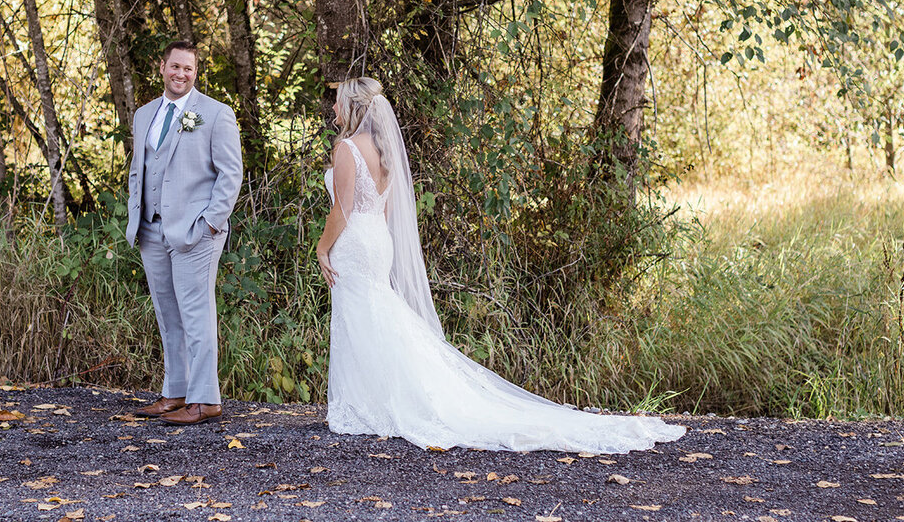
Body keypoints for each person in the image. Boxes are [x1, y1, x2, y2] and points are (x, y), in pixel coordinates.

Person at [316, 77, 686, 452]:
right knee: (376, 313)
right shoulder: (384, 150)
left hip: (355, 241)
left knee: (362, 313)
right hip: (378, 239)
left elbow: (343, 208)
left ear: (352, 107)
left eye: (337, 102)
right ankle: (377, 399)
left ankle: (367, 403)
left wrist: (322, 247)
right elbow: (386, 208)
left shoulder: (347, 148)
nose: (333, 108)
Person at [125, 41, 243, 425]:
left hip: (196, 232)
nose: (181, 74)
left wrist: (210, 222)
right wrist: (136, 217)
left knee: (196, 314)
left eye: (188, 69)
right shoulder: (144, 115)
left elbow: (231, 175)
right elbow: (139, 170)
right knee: (167, 315)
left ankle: (206, 398)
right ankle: (176, 392)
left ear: (196, 72)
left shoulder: (215, 113)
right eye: (175, 67)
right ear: (162, 68)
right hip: (151, 230)